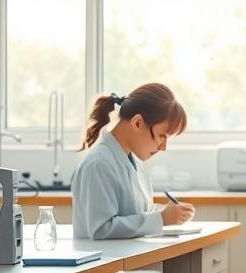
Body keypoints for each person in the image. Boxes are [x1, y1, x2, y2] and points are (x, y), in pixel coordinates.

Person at [73, 83, 195, 240]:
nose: (163, 147)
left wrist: (167, 214)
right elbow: (101, 229)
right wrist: (161, 219)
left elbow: (137, 214)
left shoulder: (135, 163)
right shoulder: (98, 165)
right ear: (137, 123)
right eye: (162, 136)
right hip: (107, 262)